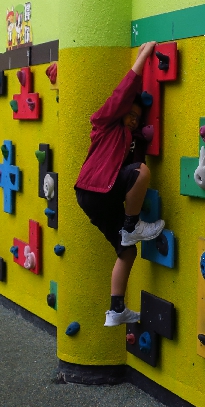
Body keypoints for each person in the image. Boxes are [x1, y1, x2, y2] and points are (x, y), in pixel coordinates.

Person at [74, 41, 165, 327]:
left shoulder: (130, 138)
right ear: (120, 112)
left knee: (127, 251)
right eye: (130, 115)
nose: (133, 121)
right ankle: (131, 226)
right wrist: (143, 58)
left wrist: (142, 140)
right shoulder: (105, 124)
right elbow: (121, 94)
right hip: (96, 189)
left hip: (100, 198)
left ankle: (116, 309)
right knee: (141, 172)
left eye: (137, 118)